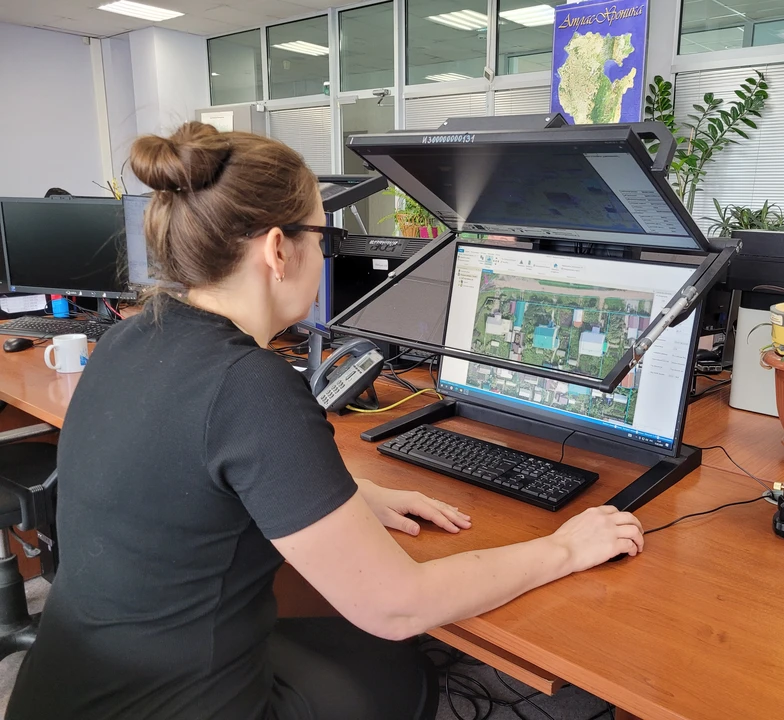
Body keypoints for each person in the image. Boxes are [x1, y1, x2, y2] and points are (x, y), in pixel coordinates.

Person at [7, 122, 644, 720]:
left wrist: (347, 495)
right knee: (399, 665)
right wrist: (564, 547)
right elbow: (397, 607)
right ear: (278, 249)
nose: (324, 253)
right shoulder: (251, 385)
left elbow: (181, 477)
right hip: (182, 706)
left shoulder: (132, 336)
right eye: (323, 237)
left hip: (64, 691)